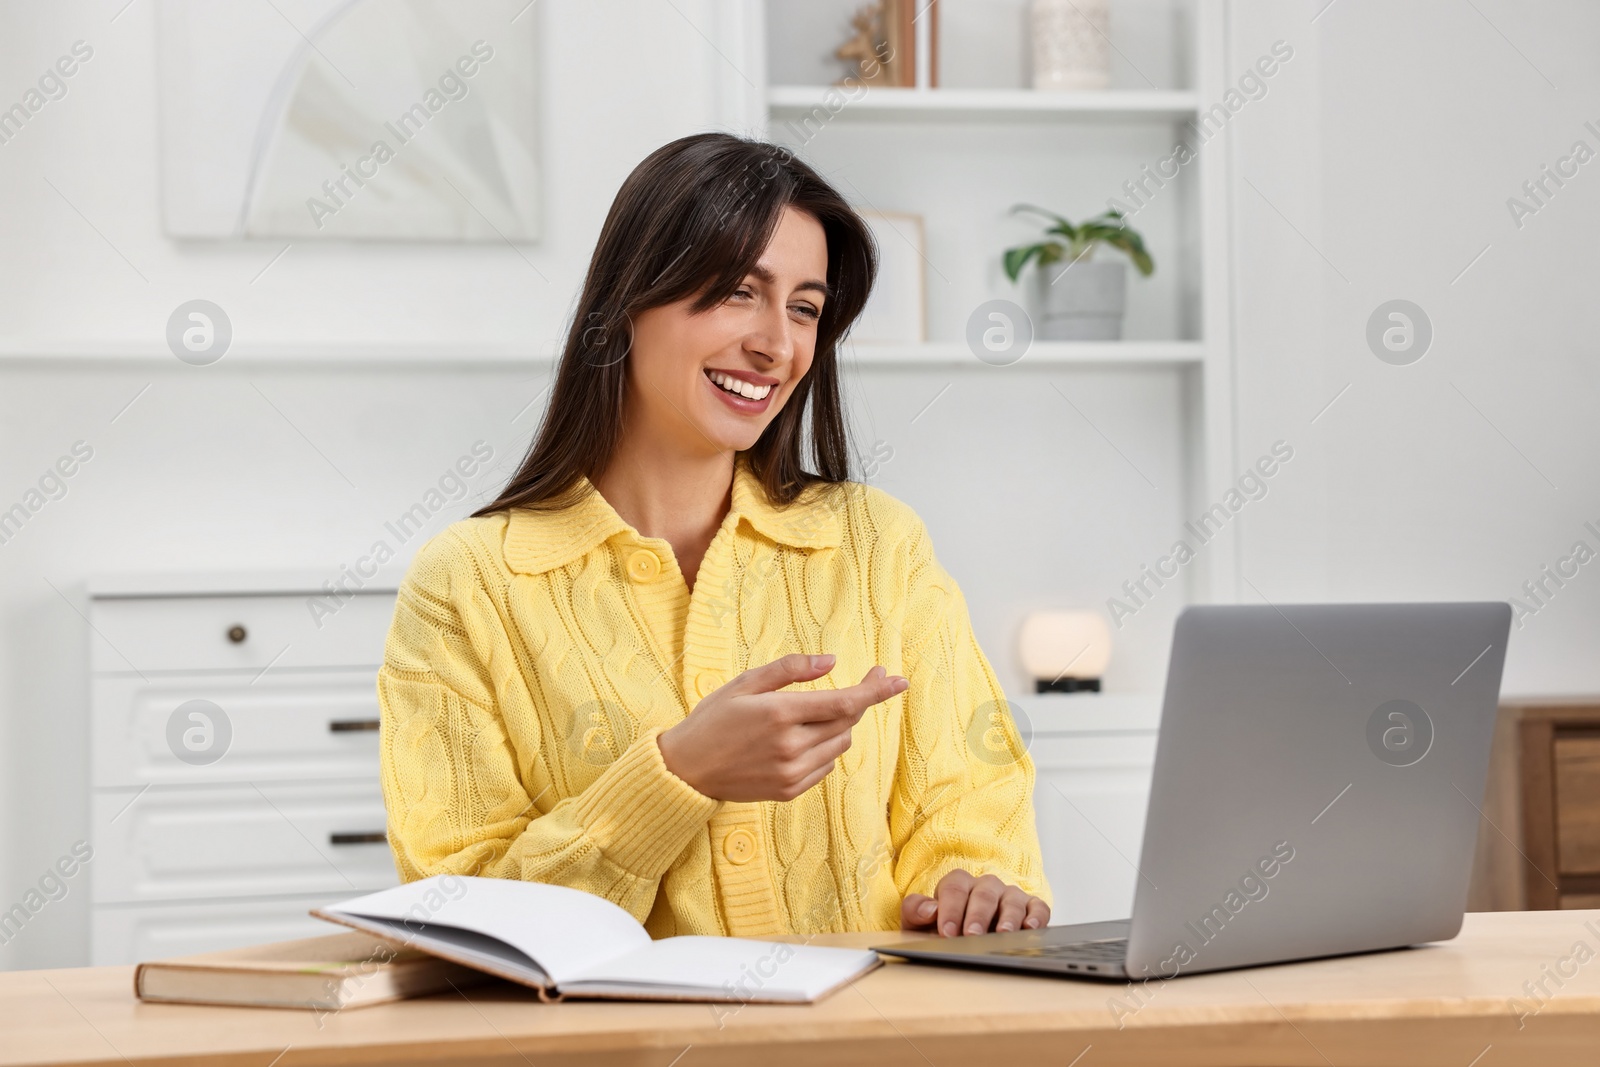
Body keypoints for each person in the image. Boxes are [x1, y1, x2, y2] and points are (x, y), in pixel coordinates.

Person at [377, 132, 1052, 940]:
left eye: (805, 307)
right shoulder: (468, 584)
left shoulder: (878, 545)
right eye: (740, 291)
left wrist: (980, 889)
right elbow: (461, 922)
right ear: (630, 299)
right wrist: (678, 774)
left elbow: (972, 812)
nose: (777, 343)